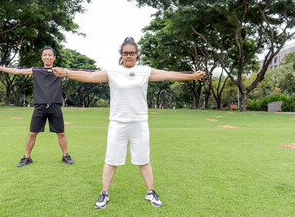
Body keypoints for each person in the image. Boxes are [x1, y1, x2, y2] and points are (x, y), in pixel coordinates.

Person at [53, 37, 205, 208]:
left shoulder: (145, 71)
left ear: (137, 54)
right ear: (121, 54)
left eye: (132, 53)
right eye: (125, 53)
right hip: (118, 123)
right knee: (111, 160)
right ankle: (104, 193)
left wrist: (192, 76)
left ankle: (151, 192)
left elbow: (169, 74)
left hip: (139, 123)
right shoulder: (112, 71)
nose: (129, 56)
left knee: (143, 160)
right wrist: (66, 73)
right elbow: (90, 76)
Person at [0, 46, 74, 167]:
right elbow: (18, 71)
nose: (47, 57)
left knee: (61, 133)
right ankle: (26, 157)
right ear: (42, 57)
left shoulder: (60, 71)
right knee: (32, 133)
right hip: (39, 107)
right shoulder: (36, 70)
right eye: (45, 55)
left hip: (55, 106)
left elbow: (76, 73)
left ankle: (65, 156)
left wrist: (97, 73)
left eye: (50, 55)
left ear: (54, 58)